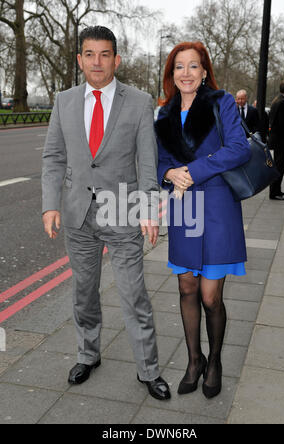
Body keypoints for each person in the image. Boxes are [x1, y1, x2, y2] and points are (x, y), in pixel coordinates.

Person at [42, 26, 171, 401]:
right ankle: (88, 354)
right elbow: (53, 156)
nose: (96, 62)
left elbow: (148, 161)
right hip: (78, 214)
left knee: (134, 294)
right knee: (84, 293)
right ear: (80, 59)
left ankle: (149, 370)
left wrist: (149, 209)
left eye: (104, 54)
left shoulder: (139, 100)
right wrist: (51, 204)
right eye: (89, 54)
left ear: (116, 59)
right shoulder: (64, 100)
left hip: (123, 212)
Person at [155, 42, 251, 399]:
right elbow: (159, 161)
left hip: (217, 208)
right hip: (183, 209)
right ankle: (194, 360)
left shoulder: (221, 102)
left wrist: (191, 171)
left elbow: (239, 147)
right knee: (186, 289)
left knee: (211, 296)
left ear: (205, 72)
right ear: (172, 74)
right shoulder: (164, 114)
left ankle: (215, 363)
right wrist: (169, 172)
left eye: (193, 66)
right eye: (179, 67)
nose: (186, 73)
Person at [269, 79, 284, 200]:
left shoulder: (276, 100)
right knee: (279, 166)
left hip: (276, 139)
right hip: (281, 140)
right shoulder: (283, 102)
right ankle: (275, 191)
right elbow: (283, 124)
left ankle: (276, 190)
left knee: (277, 165)